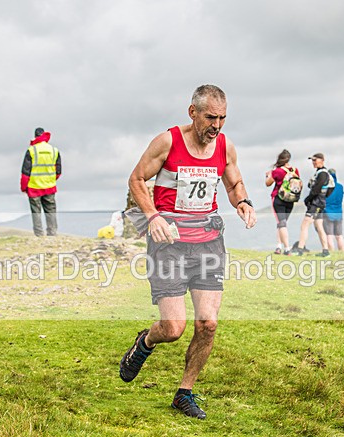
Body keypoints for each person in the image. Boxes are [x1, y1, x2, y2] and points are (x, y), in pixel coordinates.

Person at [119, 84, 257, 419]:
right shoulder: (168, 142)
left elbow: (233, 181)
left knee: (207, 323)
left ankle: (184, 392)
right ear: (192, 112)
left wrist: (243, 202)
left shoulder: (224, 145)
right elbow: (137, 179)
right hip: (169, 243)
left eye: (223, 118)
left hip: (208, 242)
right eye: (211, 117)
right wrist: (152, 216)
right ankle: (146, 341)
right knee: (174, 327)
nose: (217, 125)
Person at [20, 127, 62, 237]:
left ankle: (39, 234)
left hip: (34, 187)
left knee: (36, 211)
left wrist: (24, 187)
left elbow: (25, 173)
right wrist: (51, 179)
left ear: (35, 136)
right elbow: (58, 171)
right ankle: (52, 233)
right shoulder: (54, 150)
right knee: (51, 210)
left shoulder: (31, 150)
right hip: (49, 186)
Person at [293, 152, 332, 256]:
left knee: (304, 224)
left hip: (316, 203)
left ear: (322, 160)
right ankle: (325, 251)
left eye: (315, 160)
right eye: (312, 160)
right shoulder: (320, 173)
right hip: (319, 203)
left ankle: (300, 250)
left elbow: (316, 189)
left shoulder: (323, 174)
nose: (313, 162)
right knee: (319, 226)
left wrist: (307, 199)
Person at [265, 149, 300, 254]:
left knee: (281, 223)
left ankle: (287, 248)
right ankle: (278, 246)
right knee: (282, 223)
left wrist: (268, 176)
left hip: (278, 198)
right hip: (291, 200)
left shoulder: (277, 171)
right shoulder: (295, 170)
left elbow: (268, 183)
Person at [323, 168, 344, 251]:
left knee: (329, 235)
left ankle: (332, 252)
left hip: (327, 212)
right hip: (339, 213)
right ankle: (342, 252)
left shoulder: (326, 187)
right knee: (339, 235)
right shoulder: (340, 187)